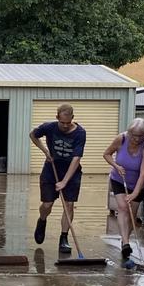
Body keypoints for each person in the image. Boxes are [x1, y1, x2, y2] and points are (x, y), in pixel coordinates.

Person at [30, 104, 86, 254]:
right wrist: (45, 151)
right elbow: (33, 135)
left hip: (71, 172)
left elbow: (76, 159)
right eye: (62, 123)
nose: (65, 126)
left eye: (68, 123)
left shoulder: (80, 133)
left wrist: (64, 181)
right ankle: (42, 220)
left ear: (72, 118)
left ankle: (64, 238)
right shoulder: (49, 127)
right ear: (57, 118)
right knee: (47, 205)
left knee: (69, 205)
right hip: (51, 169)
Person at [103, 118, 144, 267]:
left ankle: (126, 238)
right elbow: (106, 154)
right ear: (129, 132)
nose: (137, 139)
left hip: (138, 183)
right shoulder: (121, 139)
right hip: (119, 179)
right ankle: (125, 243)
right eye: (134, 135)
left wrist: (135, 193)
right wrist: (116, 166)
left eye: (140, 136)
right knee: (123, 208)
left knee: (132, 214)